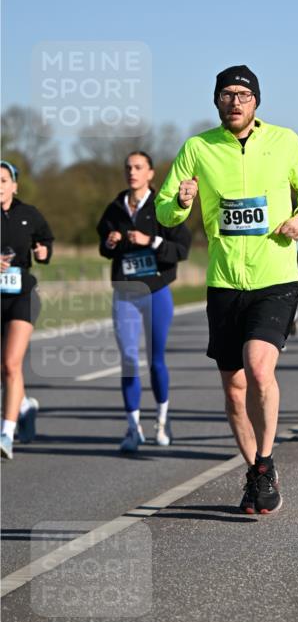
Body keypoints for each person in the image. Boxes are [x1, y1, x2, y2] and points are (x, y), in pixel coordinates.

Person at [155, 65, 298, 514]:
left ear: (256, 102)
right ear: (216, 101)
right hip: (225, 281)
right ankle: (255, 473)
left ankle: (265, 463)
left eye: (243, 95)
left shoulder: (285, 141)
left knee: (258, 367)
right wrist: (182, 202)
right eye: (226, 94)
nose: (234, 101)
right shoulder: (198, 148)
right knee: (233, 388)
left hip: (276, 276)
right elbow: (165, 211)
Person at [97, 152, 191, 454]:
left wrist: (149, 241)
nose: (132, 172)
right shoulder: (115, 207)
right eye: (128, 167)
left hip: (156, 290)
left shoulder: (163, 206)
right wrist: (110, 243)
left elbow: (182, 249)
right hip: (125, 292)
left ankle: (162, 421)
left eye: (138, 167)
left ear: (150, 173)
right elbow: (104, 247)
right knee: (127, 360)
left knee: (155, 360)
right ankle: (133, 427)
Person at [1, 160, 54, 460]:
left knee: (10, 364)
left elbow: (46, 240)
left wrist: (43, 251)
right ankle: (24, 406)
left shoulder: (28, 214)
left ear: (14, 185)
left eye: (4, 180)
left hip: (22, 293)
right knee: (2, 368)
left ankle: (6, 434)